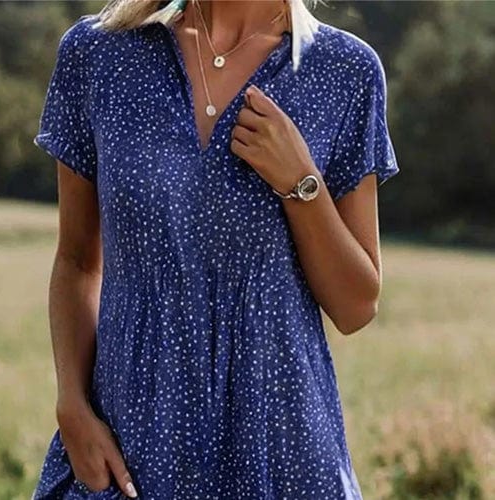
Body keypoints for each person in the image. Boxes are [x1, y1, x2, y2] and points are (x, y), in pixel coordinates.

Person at [31, 0, 399, 498]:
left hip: (281, 455)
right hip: (130, 451)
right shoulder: (99, 53)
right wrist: (71, 406)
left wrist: (301, 184)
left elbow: (357, 306)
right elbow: (77, 260)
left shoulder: (344, 71)